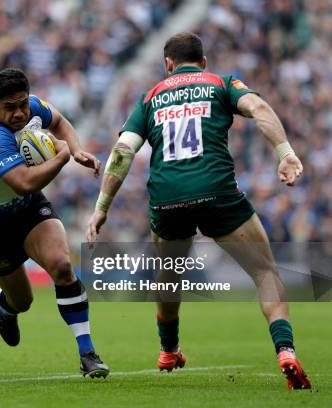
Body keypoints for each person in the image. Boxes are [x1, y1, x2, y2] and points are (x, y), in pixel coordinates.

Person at [86, 32, 311, 390]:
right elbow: (260, 109)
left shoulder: (150, 97)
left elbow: (122, 152)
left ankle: (168, 348)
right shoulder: (221, 83)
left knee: (170, 276)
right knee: (266, 273)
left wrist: (101, 208)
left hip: (167, 198)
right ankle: (285, 351)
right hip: (217, 192)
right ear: (203, 62)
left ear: (168, 64)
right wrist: (285, 153)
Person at [0, 68, 109, 378]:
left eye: (22, 105)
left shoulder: (32, 106)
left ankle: (88, 353)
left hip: (29, 210)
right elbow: (23, 182)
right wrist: (61, 158)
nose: (19, 113)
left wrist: (75, 150)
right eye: (10, 107)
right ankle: (6, 308)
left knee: (62, 266)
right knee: (23, 301)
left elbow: (59, 121)